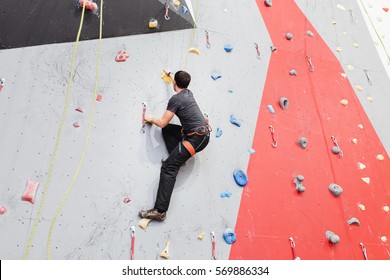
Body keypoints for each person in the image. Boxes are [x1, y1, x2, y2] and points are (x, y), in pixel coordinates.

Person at [139, 70, 210, 221]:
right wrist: (170, 74)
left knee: (168, 167)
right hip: (199, 134)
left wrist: (150, 118)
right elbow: (177, 82)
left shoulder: (176, 99)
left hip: (195, 139)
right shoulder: (188, 93)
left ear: (175, 83)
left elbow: (162, 122)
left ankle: (160, 210)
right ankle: (180, 158)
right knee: (169, 129)